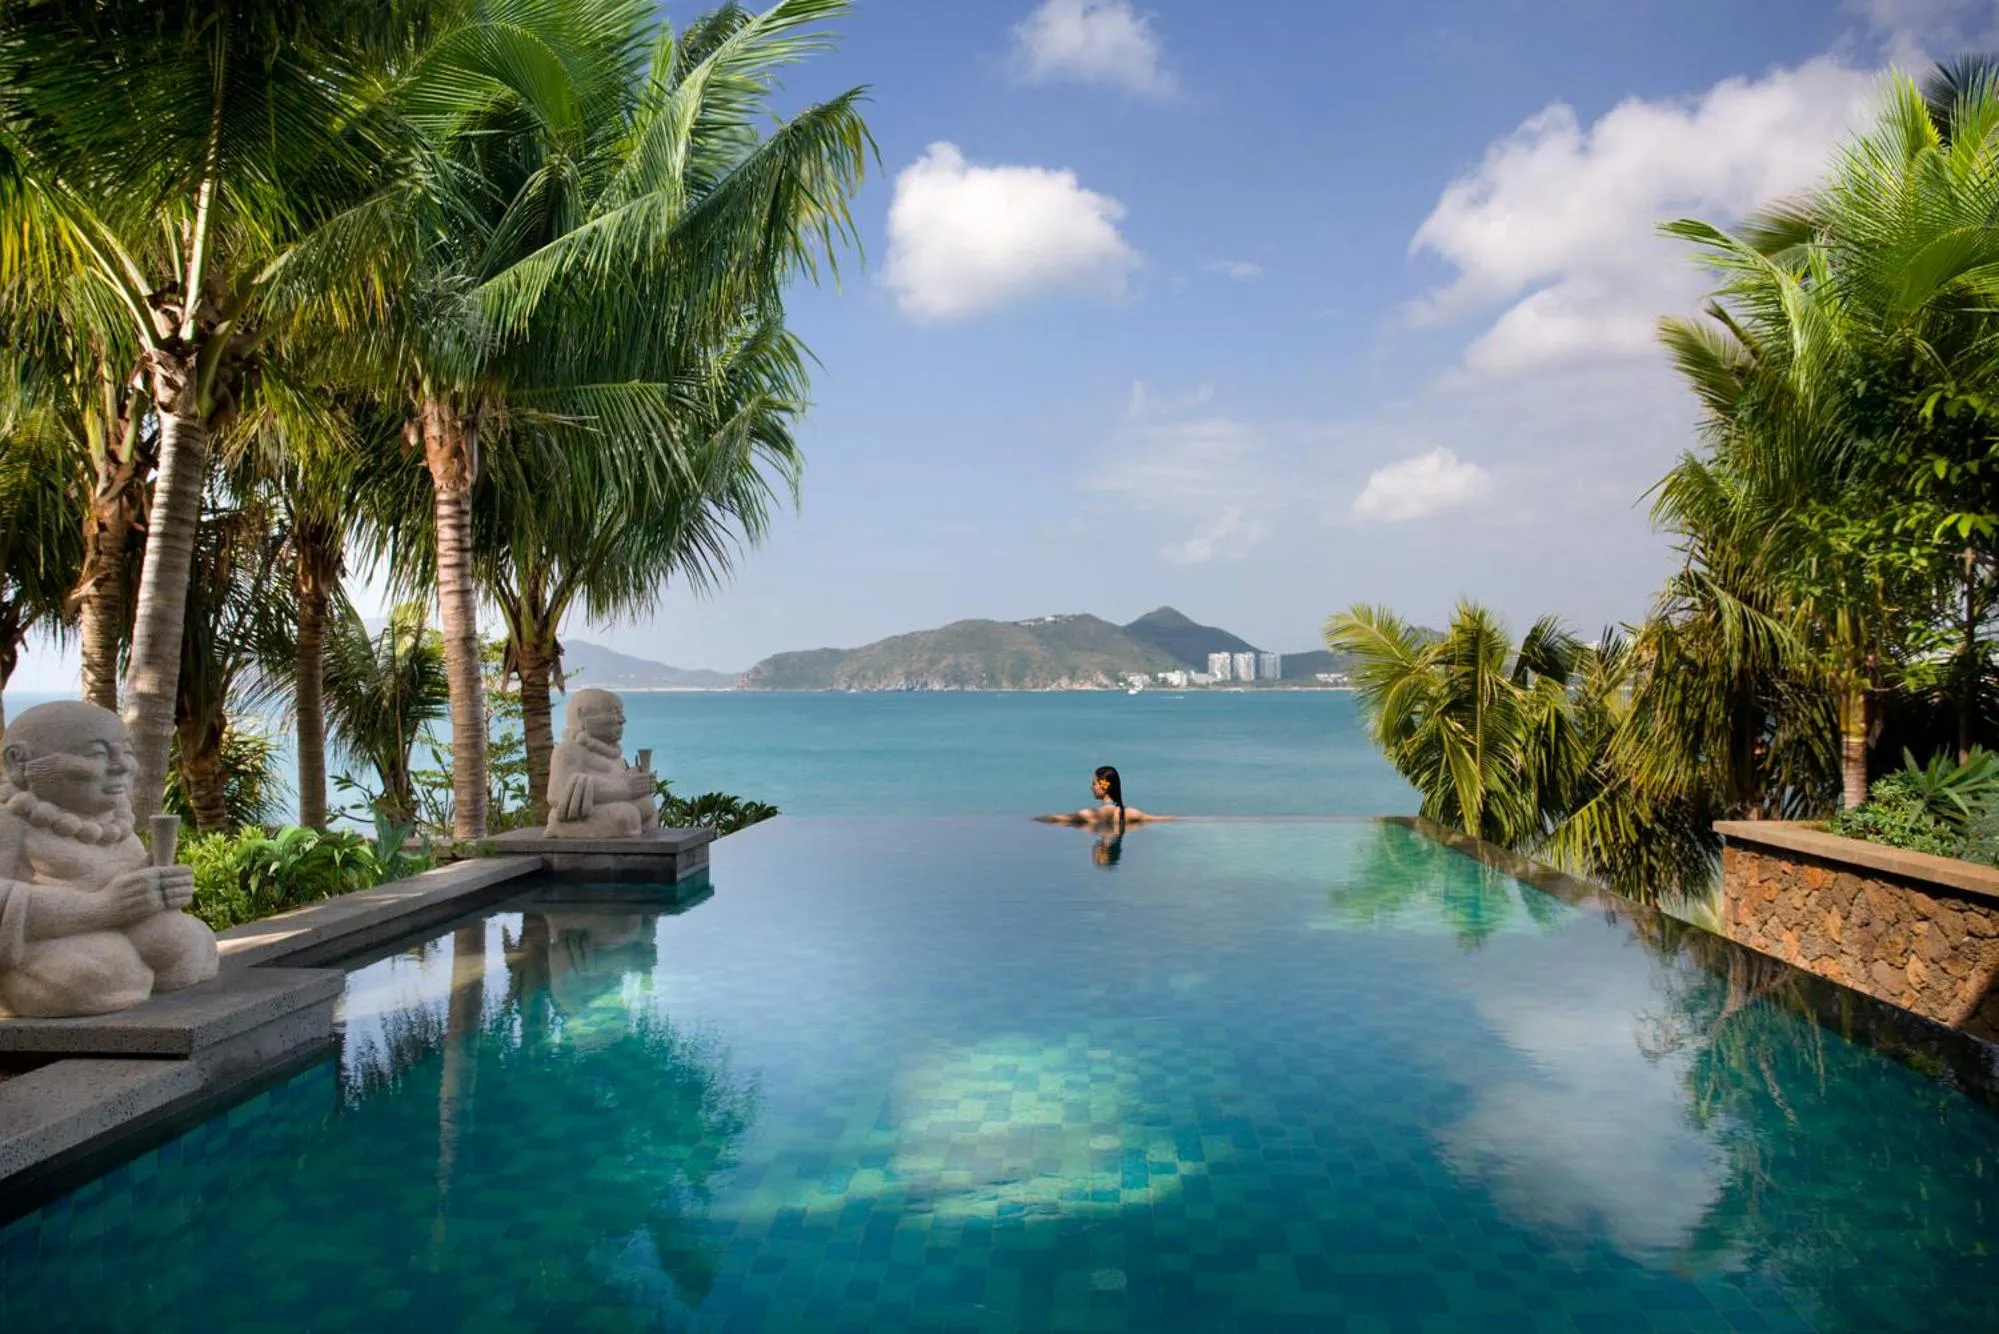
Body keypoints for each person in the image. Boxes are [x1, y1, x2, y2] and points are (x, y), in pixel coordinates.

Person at [1035, 765, 1169, 830]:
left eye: (1094, 784)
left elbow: (1061, 819)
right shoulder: (1131, 813)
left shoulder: (1094, 814)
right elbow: (1159, 819)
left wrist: (1033, 820)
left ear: (1104, 787)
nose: (1091, 787)